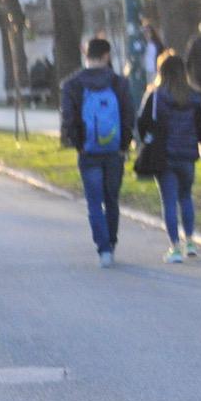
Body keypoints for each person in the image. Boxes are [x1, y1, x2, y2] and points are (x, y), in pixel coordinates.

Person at [60, 36, 136, 267]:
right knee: (111, 199)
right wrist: (124, 144)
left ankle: (103, 249)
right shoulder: (119, 83)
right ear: (106, 56)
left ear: (87, 55)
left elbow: (68, 119)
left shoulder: (72, 84)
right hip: (114, 151)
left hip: (88, 152)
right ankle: (111, 242)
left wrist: (79, 143)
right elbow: (128, 116)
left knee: (94, 202)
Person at [135, 51, 201, 263]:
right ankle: (190, 242)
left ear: (161, 71)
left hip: (164, 156)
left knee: (169, 201)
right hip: (187, 156)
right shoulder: (194, 97)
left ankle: (175, 248)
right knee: (186, 198)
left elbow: (141, 123)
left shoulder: (156, 96)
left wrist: (147, 139)